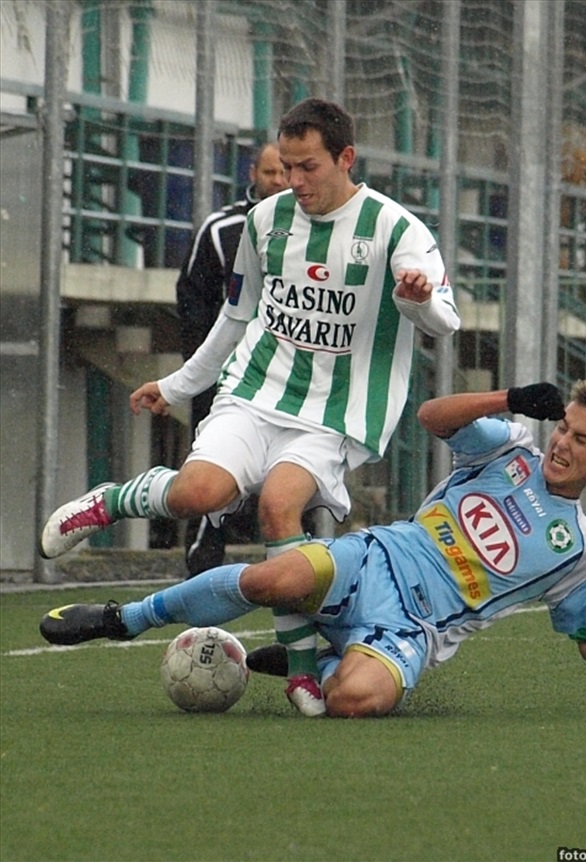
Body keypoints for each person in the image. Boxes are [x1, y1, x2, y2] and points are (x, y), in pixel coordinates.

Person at [38, 98, 461, 717]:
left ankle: (297, 670)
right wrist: (179, 385)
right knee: (195, 496)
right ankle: (107, 502)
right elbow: (236, 317)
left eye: (307, 167)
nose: (294, 181)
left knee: (277, 506)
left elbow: (445, 322)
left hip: (336, 416)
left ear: (346, 159)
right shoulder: (265, 222)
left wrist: (416, 299)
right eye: (285, 167)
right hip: (257, 393)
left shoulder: (398, 230)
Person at [40, 380, 586, 720]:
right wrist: (509, 399)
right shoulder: (507, 448)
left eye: (582, 441)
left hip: (413, 628)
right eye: (564, 427)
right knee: (275, 579)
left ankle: (321, 658)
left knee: (355, 703)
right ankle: (122, 619)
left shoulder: (581, 549)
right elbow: (432, 418)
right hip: (379, 557)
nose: (561, 443)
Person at [176, 143, 288, 577]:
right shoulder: (222, 229)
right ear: (253, 173)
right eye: (271, 172)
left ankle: (291, 569)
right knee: (210, 470)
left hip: (290, 381)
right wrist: (205, 367)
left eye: (287, 172)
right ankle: (202, 563)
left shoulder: (320, 230)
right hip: (227, 379)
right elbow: (193, 297)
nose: (280, 181)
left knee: (288, 474)